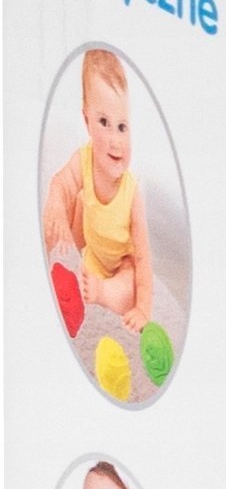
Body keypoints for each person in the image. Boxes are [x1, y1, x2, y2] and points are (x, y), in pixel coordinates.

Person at [43, 47, 155, 332]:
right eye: (104, 123)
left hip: (121, 264)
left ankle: (104, 291)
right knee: (64, 200)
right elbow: (61, 182)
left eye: (122, 127)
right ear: (87, 121)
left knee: (127, 290)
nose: (116, 140)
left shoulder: (132, 194)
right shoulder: (83, 159)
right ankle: (53, 255)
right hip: (92, 250)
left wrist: (143, 308)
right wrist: (57, 208)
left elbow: (143, 257)